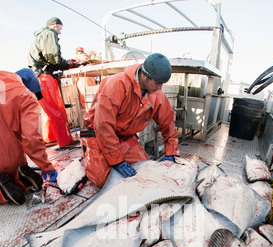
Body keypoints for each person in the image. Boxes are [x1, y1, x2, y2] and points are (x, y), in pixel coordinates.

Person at [81, 53, 180, 188]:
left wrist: (171, 152)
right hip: (98, 135)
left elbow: (168, 124)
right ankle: (87, 156)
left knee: (145, 172)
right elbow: (103, 125)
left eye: (162, 84)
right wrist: (117, 160)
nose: (160, 88)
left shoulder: (157, 95)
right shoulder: (117, 83)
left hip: (125, 138)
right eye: (157, 83)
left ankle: (109, 157)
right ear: (144, 75)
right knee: (102, 180)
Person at [0, 68, 57, 205]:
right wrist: (45, 165)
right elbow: (31, 136)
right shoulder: (25, 95)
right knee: (12, 170)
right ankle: (17, 177)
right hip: (12, 156)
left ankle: (4, 183)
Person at [28, 17, 80, 149]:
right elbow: (53, 57)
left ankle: (50, 138)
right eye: (60, 29)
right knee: (56, 109)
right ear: (55, 25)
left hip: (36, 78)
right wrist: (68, 64)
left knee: (47, 110)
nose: (60, 33)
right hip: (45, 77)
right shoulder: (50, 33)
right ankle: (65, 141)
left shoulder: (39, 37)